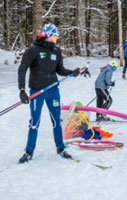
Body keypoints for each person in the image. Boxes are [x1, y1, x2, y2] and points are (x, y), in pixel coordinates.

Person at [17, 23, 82, 163]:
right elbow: (22, 69)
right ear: (48, 35)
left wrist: (72, 72)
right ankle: (29, 151)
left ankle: (60, 148)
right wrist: (22, 90)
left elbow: (60, 70)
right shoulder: (32, 51)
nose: (57, 38)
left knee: (56, 121)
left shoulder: (56, 51)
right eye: (55, 35)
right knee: (34, 122)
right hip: (37, 92)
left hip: (53, 91)